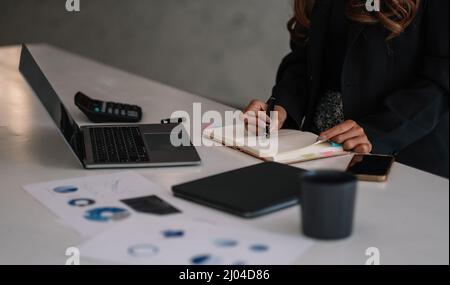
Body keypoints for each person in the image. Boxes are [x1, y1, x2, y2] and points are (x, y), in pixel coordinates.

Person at [243, 0, 449, 177]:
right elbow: (304, 58)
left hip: (404, 161)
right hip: (317, 151)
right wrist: (281, 108)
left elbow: (440, 81)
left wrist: (375, 132)